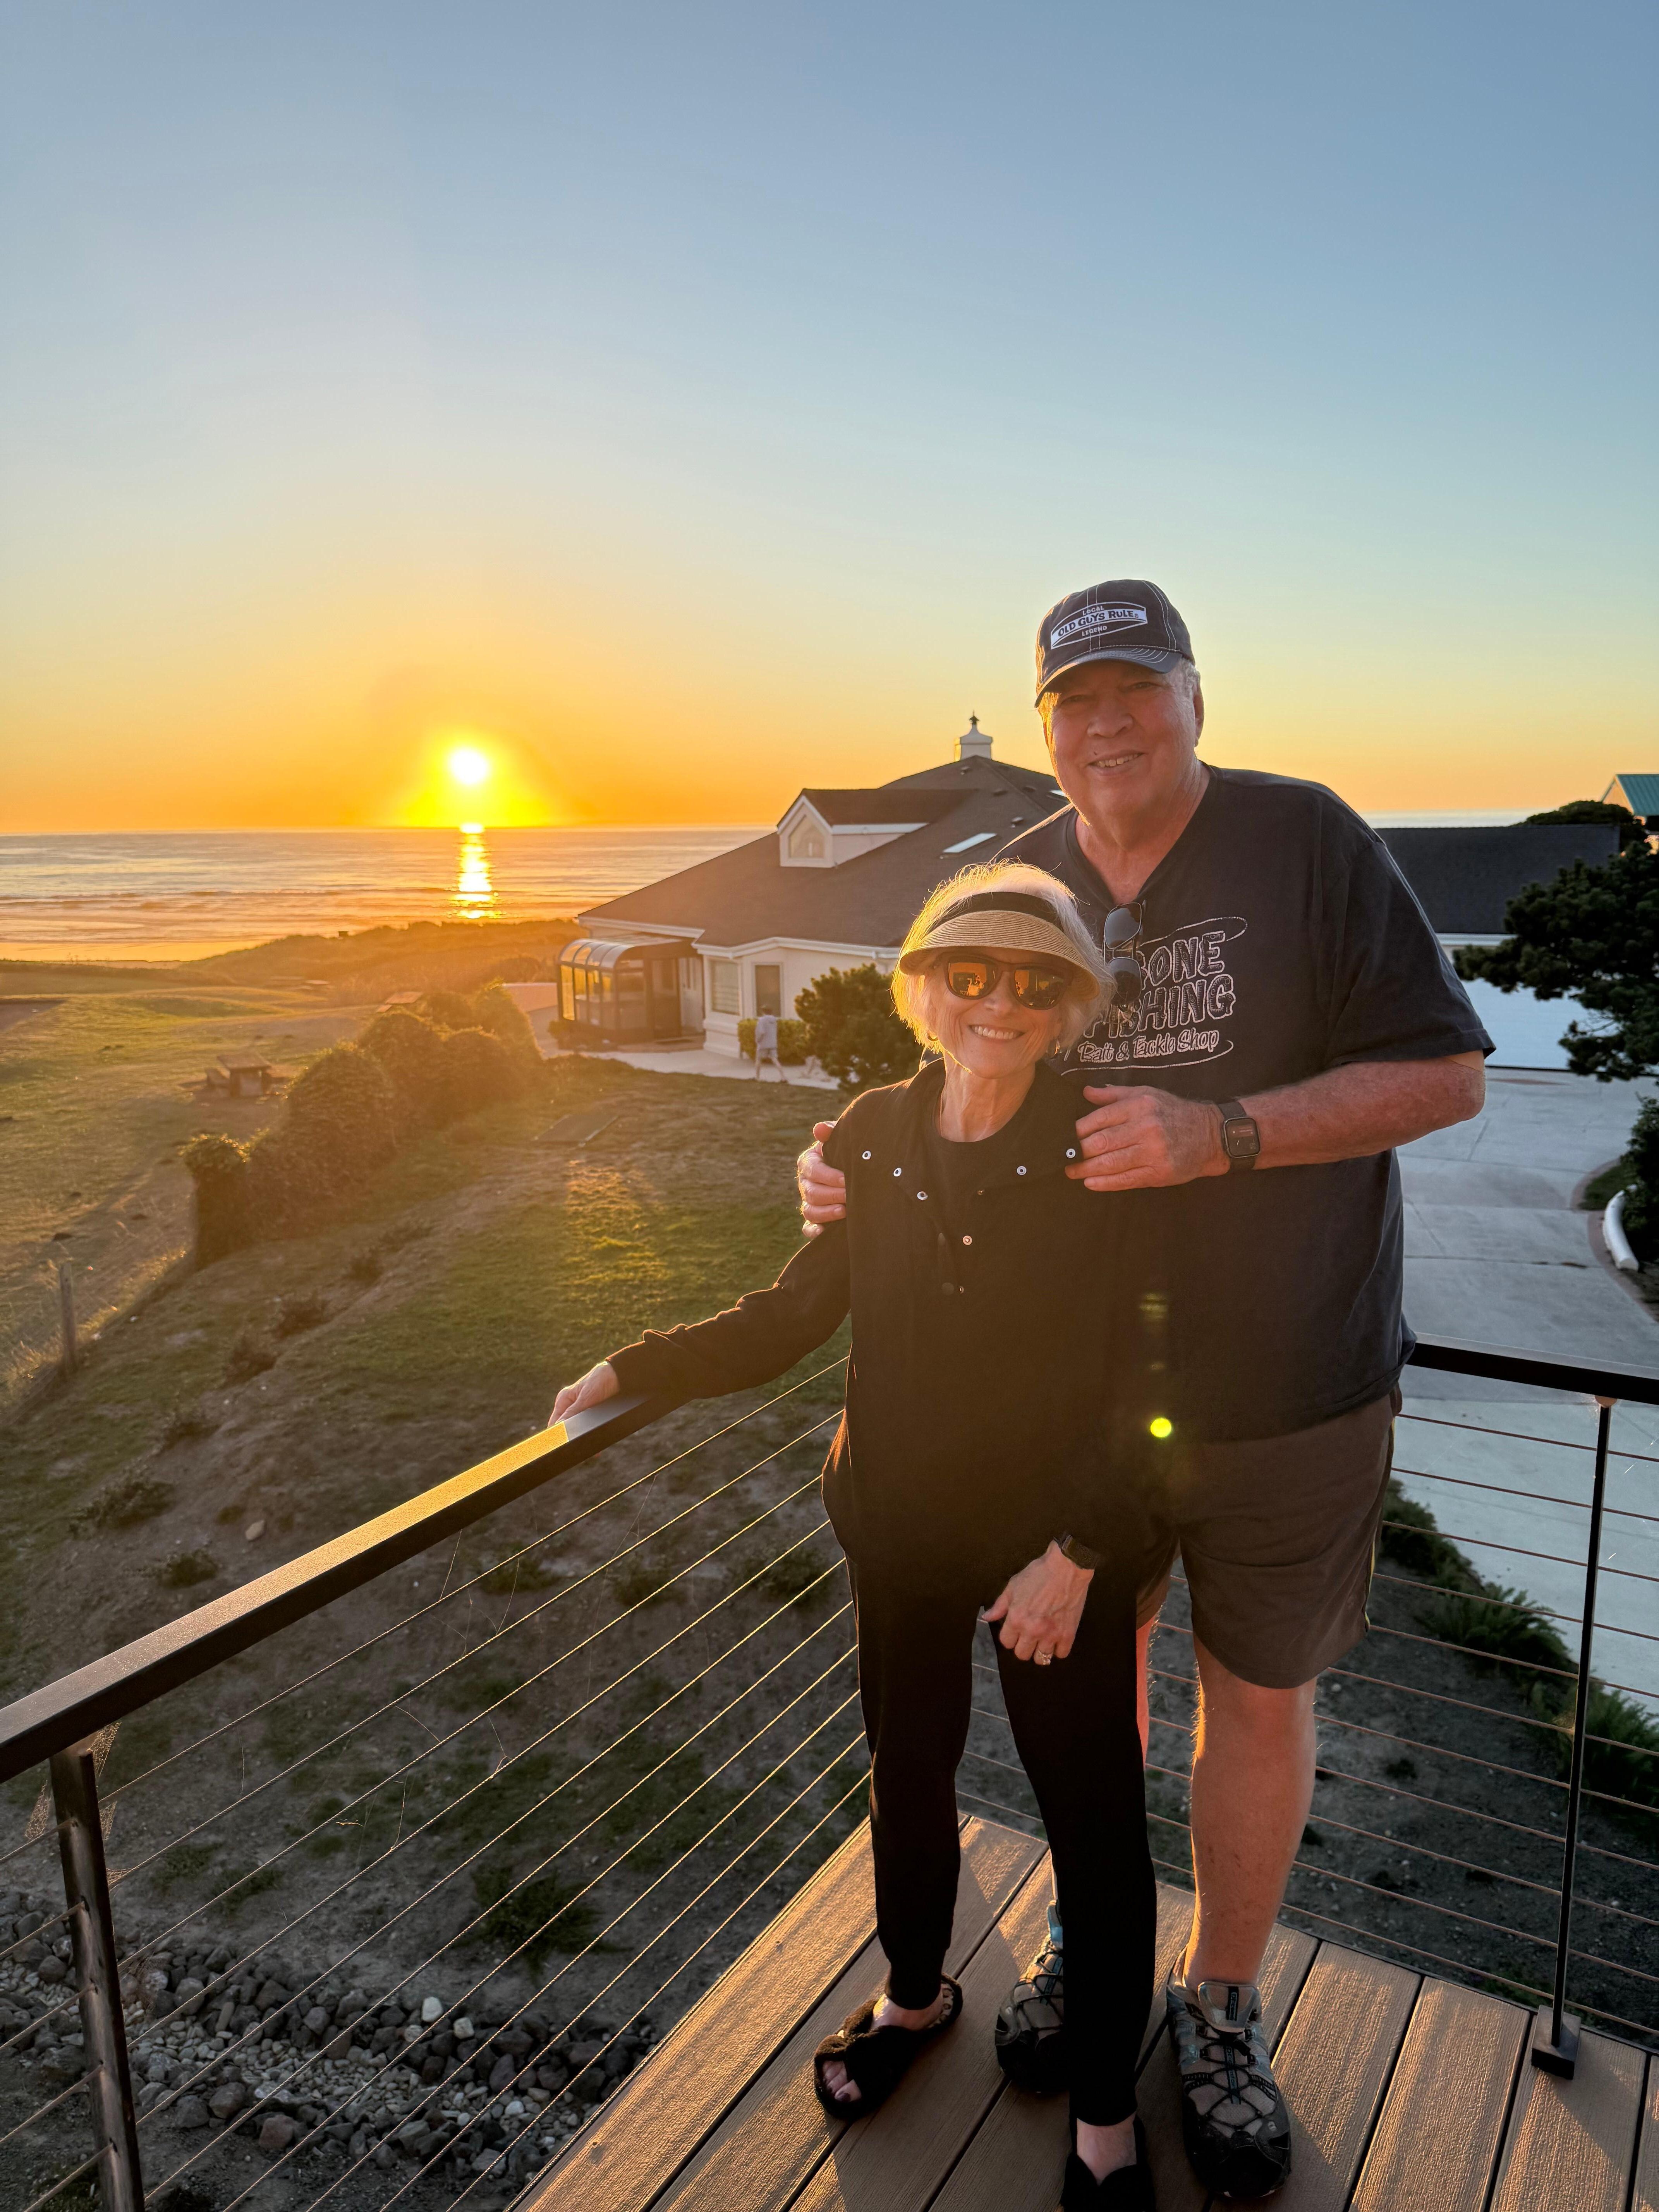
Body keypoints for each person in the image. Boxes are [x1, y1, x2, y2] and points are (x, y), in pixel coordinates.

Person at [798, 579, 1492, 2200]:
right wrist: (839, 1159)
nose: (1106, 725)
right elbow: (955, 1048)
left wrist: (1220, 1133)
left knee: (1251, 1698)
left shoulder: (1303, 841)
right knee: (1087, 1694)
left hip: (1287, 1381)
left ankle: (1222, 2005)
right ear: (1045, 725)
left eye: (1136, 690)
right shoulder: (1023, 868)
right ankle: (1092, 1953)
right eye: (1076, 701)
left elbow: (1448, 1076)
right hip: (1083, 1418)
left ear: (1192, 697)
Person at [551, 865, 1160, 2208]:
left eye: (1034, 979)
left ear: (1068, 1004)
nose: (999, 1000)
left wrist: (1081, 1550)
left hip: (1052, 1554)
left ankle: (1108, 2118)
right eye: (969, 972)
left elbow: (1159, 1376)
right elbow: (795, 1310)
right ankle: (914, 1995)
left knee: (1095, 1823)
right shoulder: (875, 1131)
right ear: (925, 990)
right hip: (901, 1523)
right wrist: (638, 1362)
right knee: (909, 1770)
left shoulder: (1100, 1145)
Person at [753, 1006, 788, 1081]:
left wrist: (757, 1040)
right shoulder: (774, 1021)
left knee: (759, 1059)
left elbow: (761, 1032)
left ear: (763, 1012)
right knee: (775, 1060)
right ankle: (783, 1077)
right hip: (773, 1043)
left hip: (763, 1044)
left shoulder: (762, 1020)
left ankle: (757, 1077)